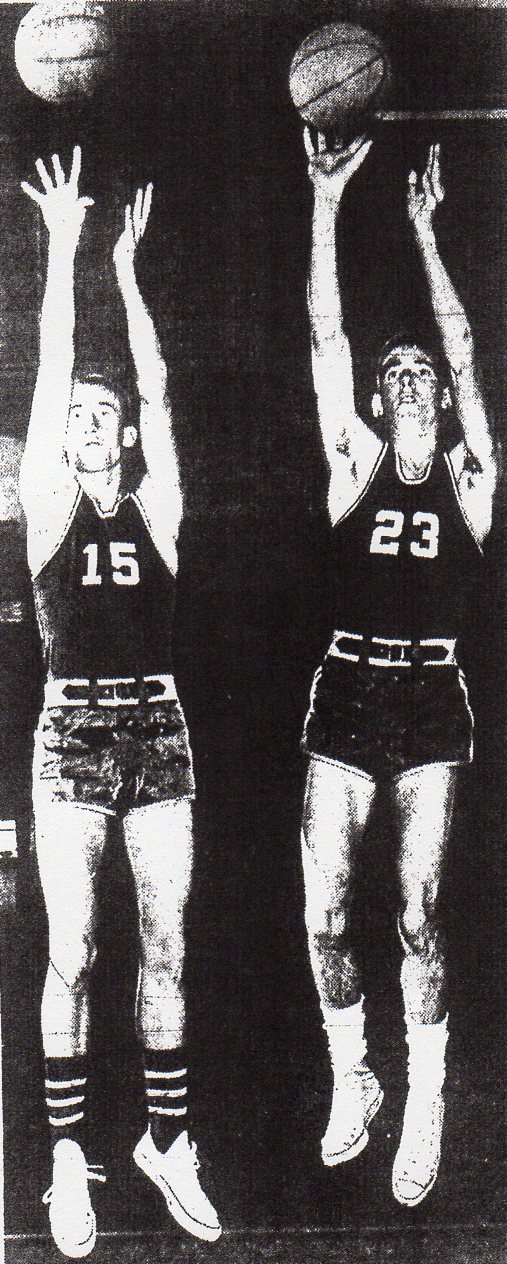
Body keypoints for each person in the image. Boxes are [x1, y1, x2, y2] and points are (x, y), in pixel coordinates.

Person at [19, 148, 222, 1256]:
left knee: (166, 948)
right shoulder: (48, 505)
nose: (90, 421)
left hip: (159, 727)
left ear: (126, 433)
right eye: (78, 416)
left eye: (105, 414)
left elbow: (161, 386)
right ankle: (65, 1154)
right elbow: (53, 365)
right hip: (72, 734)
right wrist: (64, 251)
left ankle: (166, 1140)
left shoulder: (161, 506)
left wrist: (130, 279)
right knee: (73, 950)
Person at [300, 136, 497, 1206]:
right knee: (326, 915)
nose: (413, 375)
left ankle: (425, 1092)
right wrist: (326, 204)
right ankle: (356, 1075)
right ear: (379, 402)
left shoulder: (470, 476)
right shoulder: (356, 464)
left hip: (430, 695)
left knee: (418, 911)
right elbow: (327, 335)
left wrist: (425, 232)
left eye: (421, 370)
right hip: (345, 689)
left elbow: (464, 349)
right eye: (397, 372)